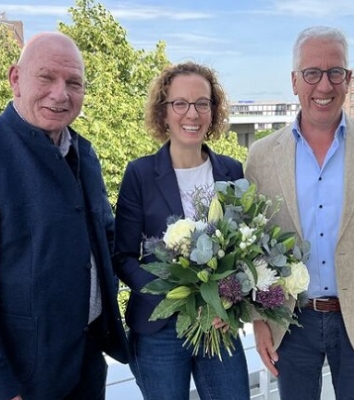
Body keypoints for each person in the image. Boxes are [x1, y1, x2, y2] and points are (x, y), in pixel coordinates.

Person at [0, 32, 128, 400]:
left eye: (73, 83)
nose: (60, 93)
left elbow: (107, 240)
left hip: (84, 366)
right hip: (21, 380)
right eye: (46, 77)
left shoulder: (83, 153)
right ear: (15, 79)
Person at [245, 26, 354, 400]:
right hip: (290, 322)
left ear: (348, 78)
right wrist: (259, 319)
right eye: (312, 73)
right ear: (295, 81)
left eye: (334, 72)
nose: (323, 86)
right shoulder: (261, 156)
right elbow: (254, 249)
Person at [113, 61, 250, 400]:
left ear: (213, 110)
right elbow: (124, 256)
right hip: (159, 328)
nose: (192, 113)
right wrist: (178, 297)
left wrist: (229, 301)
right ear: (164, 112)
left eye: (202, 103)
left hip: (219, 322)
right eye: (180, 103)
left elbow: (246, 249)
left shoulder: (231, 171)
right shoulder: (140, 174)